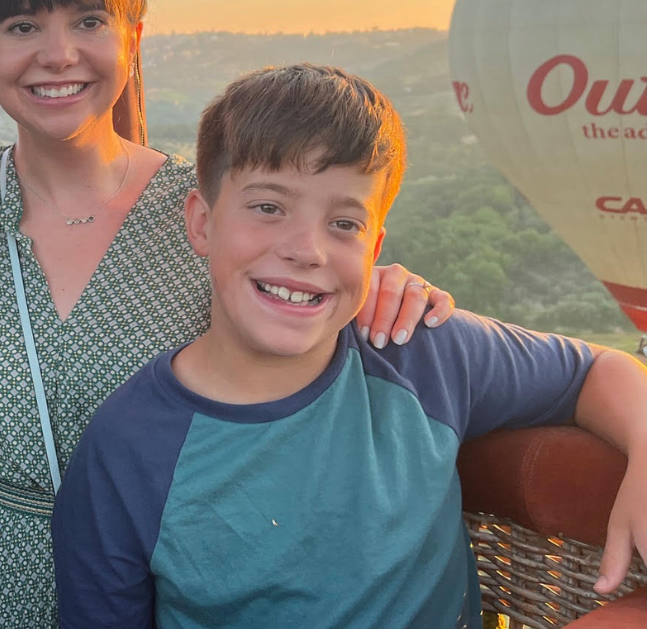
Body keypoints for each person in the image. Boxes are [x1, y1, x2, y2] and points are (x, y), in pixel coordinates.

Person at [0, 0, 455, 629]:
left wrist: (392, 287)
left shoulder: (211, 217)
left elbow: (304, 317)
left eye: (88, 20)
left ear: (133, 34)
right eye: (23, 24)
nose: (57, 54)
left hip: (175, 590)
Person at [52, 63, 647, 628]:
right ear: (202, 222)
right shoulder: (126, 449)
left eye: (345, 223)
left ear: (375, 244)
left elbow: (596, 370)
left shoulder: (420, 354)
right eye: (267, 207)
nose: (306, 249)